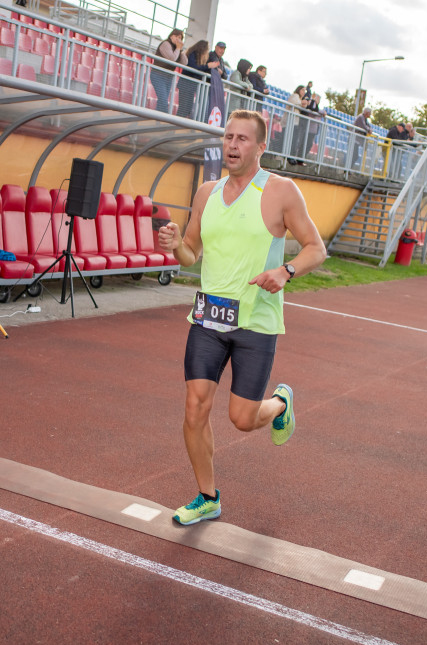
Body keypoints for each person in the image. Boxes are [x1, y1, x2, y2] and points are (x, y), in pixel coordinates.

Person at [156, 109, 326, 525]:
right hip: (208, 319)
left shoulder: (281, 191)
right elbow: (191, 253)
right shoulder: (206, 193)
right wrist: (176, 244)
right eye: (228, 137)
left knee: (242, 419)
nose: (232, 145)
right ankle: (207, 495)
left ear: (261, 147)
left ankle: (280, 404)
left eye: (242, 139)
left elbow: (315, 248)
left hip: (255, 323)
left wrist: (285, 272)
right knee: (195, 409)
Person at [151, 28, 186, 114]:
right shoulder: (165, 44)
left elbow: (184, 63)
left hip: (168, 77)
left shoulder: (176, 48)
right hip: (158, 75)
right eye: (177, 37)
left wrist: (180, 50)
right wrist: (178, 49)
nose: (179, 40)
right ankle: (163, 120)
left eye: (180, 38)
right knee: (163, 101)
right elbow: (172, 58)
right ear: (172, 36)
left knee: (163, 101)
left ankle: (156, 119)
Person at [287, 85, 309, 165]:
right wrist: (302, 103)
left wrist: (304, 104)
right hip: (290, 122)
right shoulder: (295, 96)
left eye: (305, 91)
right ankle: (289, 157)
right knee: (291, 140)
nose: (304, 92)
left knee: (294, 140)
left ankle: (291, 156)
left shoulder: (300, 99)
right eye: (302, 90)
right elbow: (294, 103)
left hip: (295, 122)